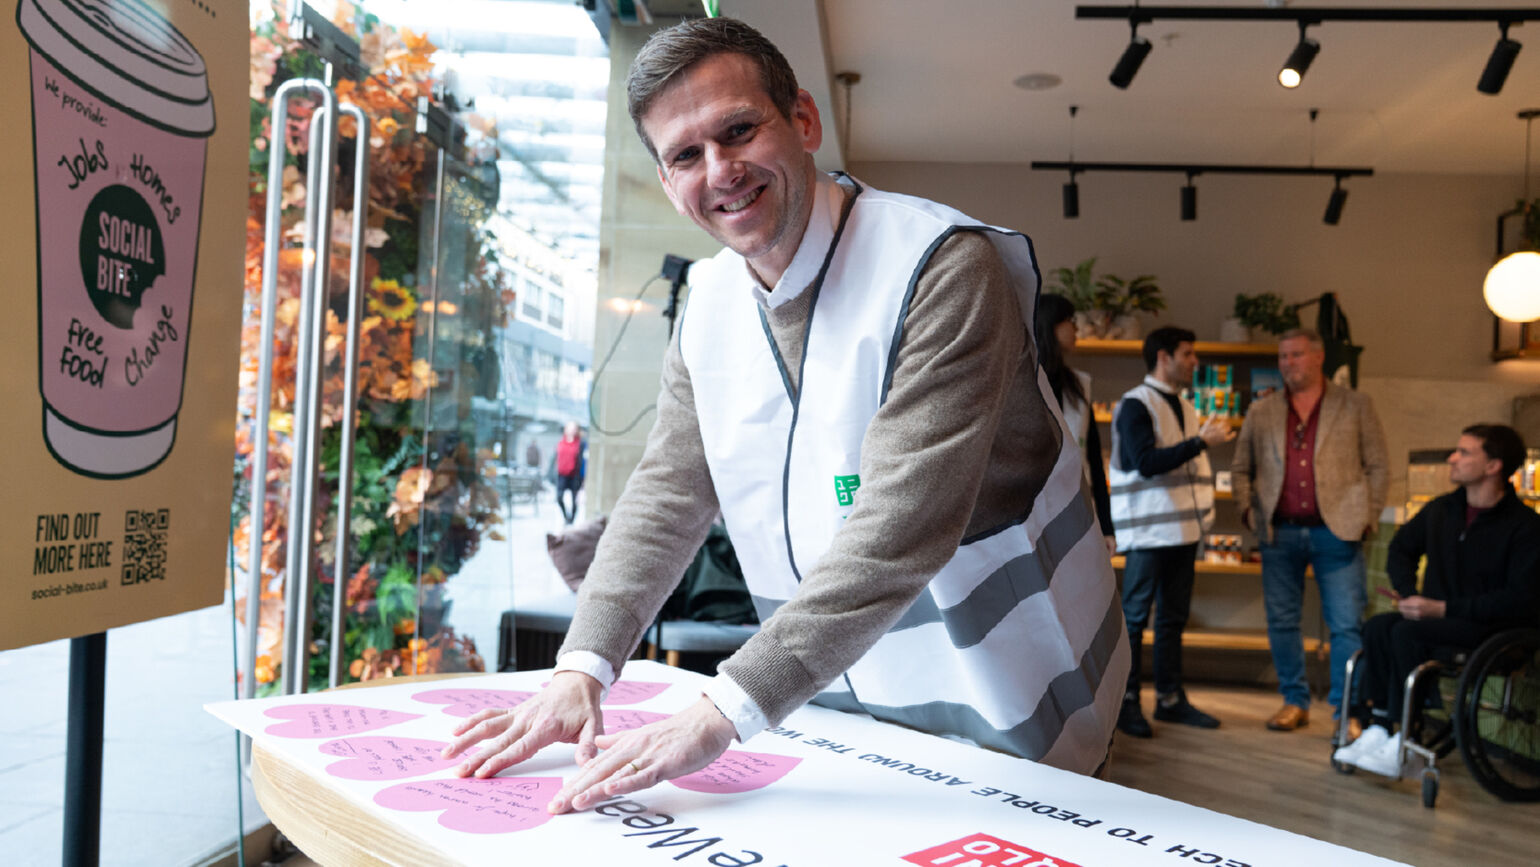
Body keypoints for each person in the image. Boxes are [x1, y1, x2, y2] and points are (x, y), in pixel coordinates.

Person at [441, 17, 1128, 811]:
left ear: (803, 119)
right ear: (667, 184)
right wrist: (582, 667)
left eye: (738, 130)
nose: (720, 170)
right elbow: (666, 495)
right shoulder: (706, 304)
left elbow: (902, 527)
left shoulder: (940, 266)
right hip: (834, 696)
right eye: (686, 156)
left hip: (1009, 690)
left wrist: (719, 710)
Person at [1333, 424, 1540, 775]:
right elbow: (1400, 548)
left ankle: (1406, 735)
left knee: (1405, 634)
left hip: (1493, 630)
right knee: (1379, 627)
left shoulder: (1526, 527)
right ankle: (1380, 727)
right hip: (1442, 622)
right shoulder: (1443, 509)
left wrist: (1444, 608)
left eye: (1464, 452)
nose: (1452, 458)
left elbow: (1520, 600)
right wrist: (1408, 593)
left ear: (1494, 466)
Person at [1232, 329, 1389, 733]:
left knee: (1346, 623)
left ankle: (1346, 712)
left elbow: (1377, 465)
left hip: (1337, 532)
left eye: (1296, 355)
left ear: (1318, 358)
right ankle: (1293, 701)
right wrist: (1248, 508)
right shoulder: (1261, 411)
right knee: (1282, 622)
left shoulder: (1355, 405)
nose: (1288, 363)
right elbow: (1241, 468)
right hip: (1279, 532)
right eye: (1283, 356)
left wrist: (1368, 514)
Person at [1109, 326, 1233, 737]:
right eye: (1188, 353)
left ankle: (1170, 699)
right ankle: (1125, 704)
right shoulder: (1134, 404)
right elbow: (1146, 462)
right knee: (1135, 620)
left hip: (1183, 530)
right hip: (1149, 533)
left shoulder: (1186, 404)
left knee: (1173, 619)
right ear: (1164, 357)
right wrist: (1200, 443)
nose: (1195, 361)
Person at [1035, 293, 1115, 554]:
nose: (1077, 328)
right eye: (1070, 320)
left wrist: (1106, 526)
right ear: (1050, 325)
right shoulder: (1024, 382)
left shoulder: (1080, 385)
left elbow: (1092, 457)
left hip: (1075, 507)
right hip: (1034, 513)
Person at [555, 421, 585, 525]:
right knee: (559, 497)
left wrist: (583, 478)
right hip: (562, 475)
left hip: (575, 476)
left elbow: (583, 461)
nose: (571, 430)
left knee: (574, 501)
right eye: (569, 427)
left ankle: (571, 520)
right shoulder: (561, 443)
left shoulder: (581, 444)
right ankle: (566, 517)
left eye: (573, 428)